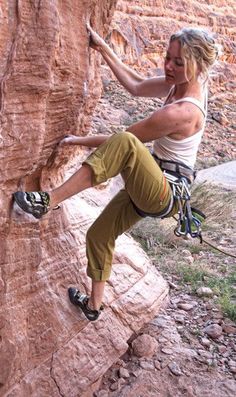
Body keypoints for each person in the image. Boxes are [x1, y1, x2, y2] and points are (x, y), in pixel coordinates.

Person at [13, 24, 218, 321]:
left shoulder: (182, 111)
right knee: (99, 234)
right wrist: (102, 47)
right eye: (167, 57)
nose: (168, 66)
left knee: (127, 143)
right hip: (152, 180)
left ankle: (48, 200)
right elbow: (135, 84)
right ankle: (94, 305)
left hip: (164, 191)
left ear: (197, 66)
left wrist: (79, 140)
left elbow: (123, 140)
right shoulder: (182, 84)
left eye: (178, 62)